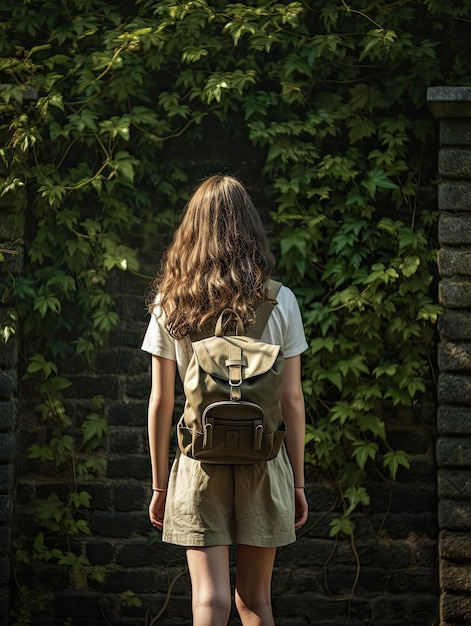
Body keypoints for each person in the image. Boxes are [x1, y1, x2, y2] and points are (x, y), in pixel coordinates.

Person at [141, 174, 309, 626]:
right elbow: (291, 401)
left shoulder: (170, 302)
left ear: (191, 232)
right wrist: (297, 483)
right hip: (264, 458)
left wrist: (159, 485)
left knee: (209, 601)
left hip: (199, 459)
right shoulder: (281, 301)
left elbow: (161, 401)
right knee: (255, 601)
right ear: (249, 230)